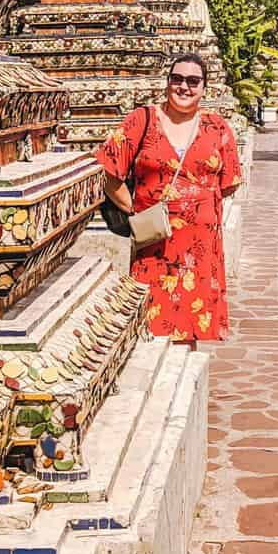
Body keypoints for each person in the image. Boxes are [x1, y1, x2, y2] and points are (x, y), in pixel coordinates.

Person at [97, 52, 242, 344]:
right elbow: (108, 171)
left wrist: (193, 205)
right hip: (155, 243)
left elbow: (228, 183)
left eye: (193, 81)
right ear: (167, 82)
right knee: (152, 324)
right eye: (177, 79)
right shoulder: (142, 120)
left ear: (204, 87)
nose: (184, 87)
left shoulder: (217, 127)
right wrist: (136, 210)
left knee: (190, 327)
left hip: (200, 248)